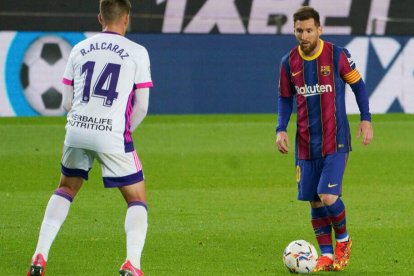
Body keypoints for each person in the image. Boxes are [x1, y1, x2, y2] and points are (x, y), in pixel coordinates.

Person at [27, 0, 152, 275]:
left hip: (76, 129)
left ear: (100, 18)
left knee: (65, 189)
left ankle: (39, 255)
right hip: (113, 134)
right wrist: (124, 130)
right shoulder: (137, 52)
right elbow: (142, 105)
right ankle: (133, 264)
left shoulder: (79, 49)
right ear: (127, 18)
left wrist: (83, 120)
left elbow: (65, 102)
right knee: (136, 199)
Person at [275, 6, 373, 272]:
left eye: (309, 30)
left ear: (320, 29)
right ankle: (327, 255)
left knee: (327, 194)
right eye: (299, 31)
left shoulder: (337, 55)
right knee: (314, 200)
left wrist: (366, 118)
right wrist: (280, 128)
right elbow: (285, 98)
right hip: (305, 143)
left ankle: (343, 240)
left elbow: (358, 85)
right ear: (294, 31)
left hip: (335, 140)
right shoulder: (288, 62)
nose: (304, 36)